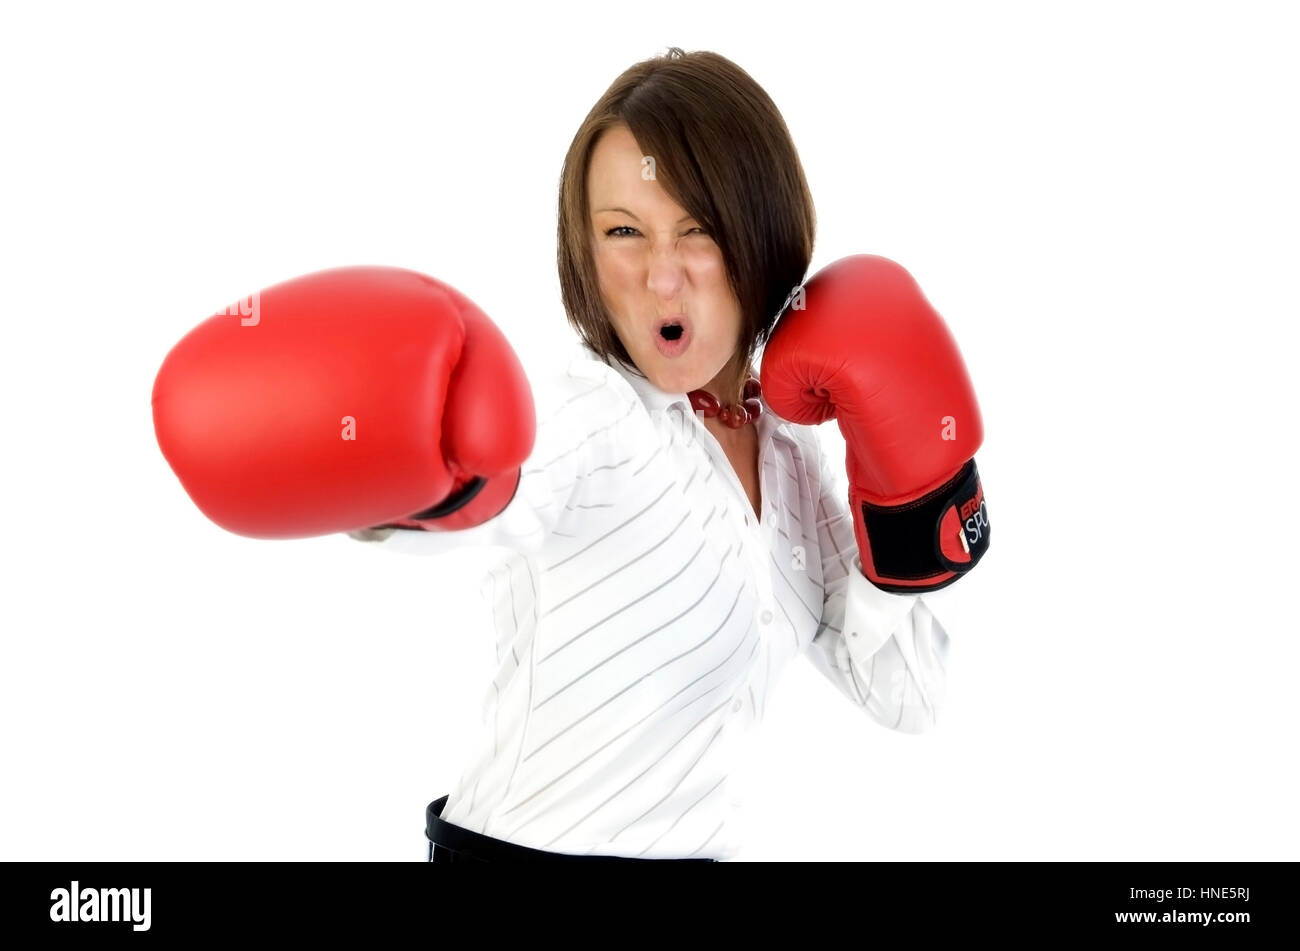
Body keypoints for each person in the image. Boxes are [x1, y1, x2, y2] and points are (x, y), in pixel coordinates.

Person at [152, 48, 988, 863]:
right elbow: (504, 488)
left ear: (761, 234)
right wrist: (393, 454)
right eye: (624, 231)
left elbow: (909, 697)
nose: (662, 277)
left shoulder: (790, 453)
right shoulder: (587, 412)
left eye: (697, 230)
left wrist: (911, 501)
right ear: (586, 251)